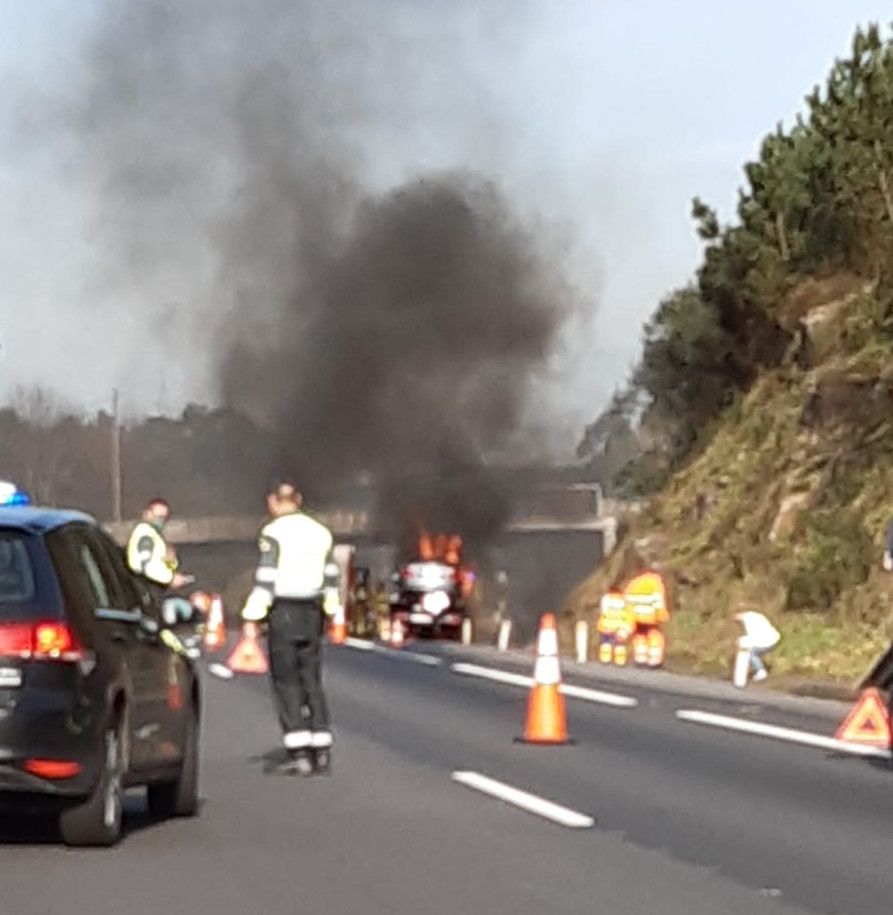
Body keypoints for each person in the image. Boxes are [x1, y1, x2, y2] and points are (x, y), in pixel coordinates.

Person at [241, 482, 339, 776]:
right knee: (311, 677)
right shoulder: (321, 532)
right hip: (313, 610)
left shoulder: (273, 533)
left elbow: (267, 577)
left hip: (284, 610)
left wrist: (252, 615)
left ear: (274, 502)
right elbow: (331, 574)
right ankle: (321, 747)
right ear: (298, 500)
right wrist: (332, 610)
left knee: (286, 679)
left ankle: (299, 751)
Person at [126, 498, 191, 591]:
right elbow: (146, 566)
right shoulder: (145, 534)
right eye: (157, 516)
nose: (160, 520)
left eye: (163, 517)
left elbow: (158, 563)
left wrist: (170, 563)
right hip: (144, 588)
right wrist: (171, 578)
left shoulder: (153, 535)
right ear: (146, 514)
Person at [734, 609, 780, 684]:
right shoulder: (755, 615)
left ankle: (761, 672)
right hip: (774, 638)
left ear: (739, 614)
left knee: (751, 653)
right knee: (753, 652)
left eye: (736, 617)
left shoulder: (748, 620)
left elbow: (752, 636)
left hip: (768, 641)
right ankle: (757, 668)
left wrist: (740, 641)